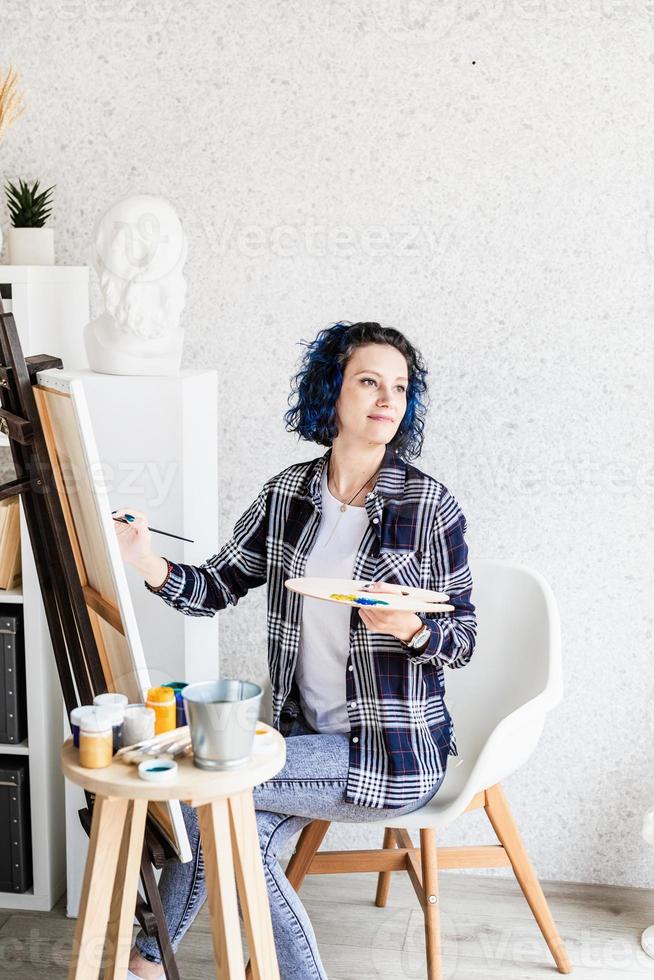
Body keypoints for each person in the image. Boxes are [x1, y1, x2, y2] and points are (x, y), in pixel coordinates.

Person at [114, 320, 477, 980]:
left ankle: (145, 960)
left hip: (391, 751)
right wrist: (147, 562)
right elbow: (217, 583)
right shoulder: (288, 496)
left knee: (212, 792)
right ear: (330, 395)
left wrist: (410, 628)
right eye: (368, 381)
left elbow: (464, 640)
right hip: (303, 739)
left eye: (399, 387)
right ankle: (148, 963)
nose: (386, 399)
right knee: (229, 835)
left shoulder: (430, 508)